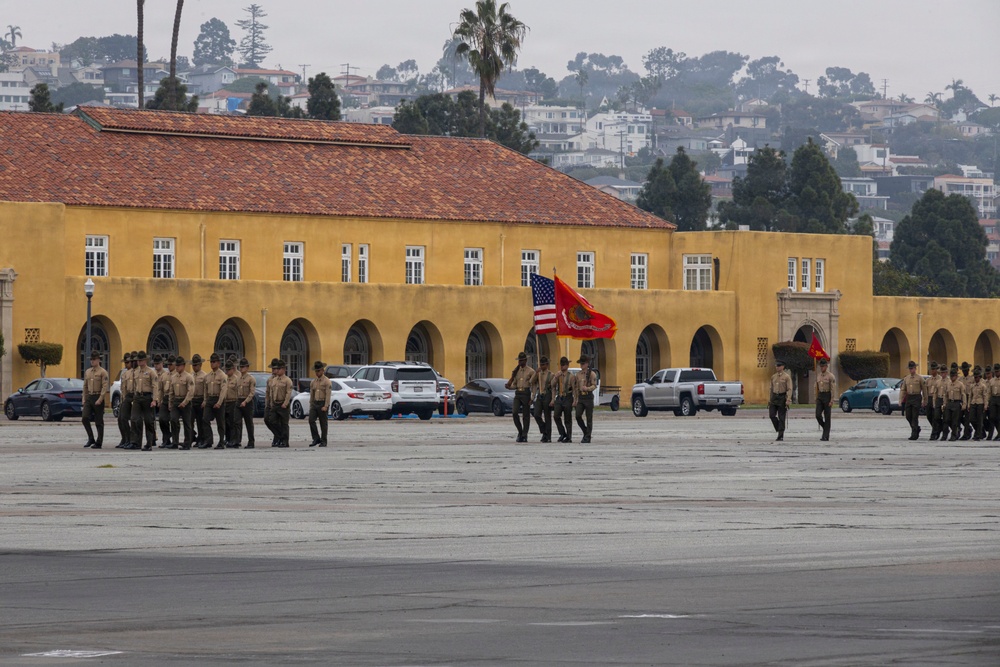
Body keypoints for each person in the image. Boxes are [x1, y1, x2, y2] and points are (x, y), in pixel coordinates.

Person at [505, 351, 536, 443]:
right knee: (514, 412)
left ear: (526, 360)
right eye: (519, 360)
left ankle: (524, 435)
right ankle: (520, 431)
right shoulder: (516, 371)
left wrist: (532, 397)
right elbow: (515, 384)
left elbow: (534, 385)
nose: (520, 362)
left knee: (526, 416)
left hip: (526, 393)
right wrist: (509, 387)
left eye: (522, 360)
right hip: (518, 393)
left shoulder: (531, 371)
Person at [82, 350, 109, 449]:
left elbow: (104, 387)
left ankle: (99, 441)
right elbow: (85, 386)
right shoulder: (88, 372)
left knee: (99, 421)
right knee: (84, 417)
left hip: (98, 396)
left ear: (98, 360)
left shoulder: (103, 372)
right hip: (90, 396)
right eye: (91, 359)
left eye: (94, 359)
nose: (92, 361)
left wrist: (101, 399)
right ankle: (91, 438)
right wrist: (84, 398)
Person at [265, 358, 294, 447]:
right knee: (271, 421)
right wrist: (271, 403)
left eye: (279, 369)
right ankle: (280, 436)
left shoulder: (287, 380)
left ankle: (285, 441)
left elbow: (288, 393)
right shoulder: (274, 380)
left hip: (283, 404)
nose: (277, 370)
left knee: (284, 424)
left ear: (283, 369)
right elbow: (271, 392)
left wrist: (285, 403)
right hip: (275, 404)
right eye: (276, 368)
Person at [203, 353, 229, 449]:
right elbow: (205, 390)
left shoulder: (222, 375)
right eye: (211, 362)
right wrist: (205, 400)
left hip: (219, 399)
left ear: (218, 363)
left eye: (214, 362)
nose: (212, 364)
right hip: (210, 399)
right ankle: (209, 440)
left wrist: (219, 402)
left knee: (220, 422)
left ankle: (221, 441)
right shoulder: (208, 376)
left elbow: (224, 390)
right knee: (205, 419)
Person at [169, 356, 195, 450]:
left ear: (183, 366)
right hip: (176, 400)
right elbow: (171, 392)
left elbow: (190, 391)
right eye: (176, 365)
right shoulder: (173, 377)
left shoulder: (188, 377)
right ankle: (175, 442)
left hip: (185, 401)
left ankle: (187, 443)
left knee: (187, 423)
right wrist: (170, 404)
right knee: (173, 420)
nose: (177, 368)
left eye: (179, 366)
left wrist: (185, 402)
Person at [899, 360, 926, 441]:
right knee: (908, 416)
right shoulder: (906, 378)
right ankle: (916, 428)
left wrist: (925, 400)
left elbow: (924, 390)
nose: (911, 370)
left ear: (915, 368)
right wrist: (900, 400)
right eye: (910, 369)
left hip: (916, 397)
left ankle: (914, 434)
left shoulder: (920, 378)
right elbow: (903, 390)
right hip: (909, 397)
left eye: (912, 368)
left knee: (914, 416)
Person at [573, 355, 598, 444]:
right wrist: (575, 399)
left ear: (587, 364)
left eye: (583, 363)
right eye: (581, 363)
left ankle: (587, 437)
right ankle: (586, 432)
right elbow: (576, 387)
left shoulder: (592, 374)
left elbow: (594, 385)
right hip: (581, 397)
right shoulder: (578, 375)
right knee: (577, 415)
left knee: (589, 418)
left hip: (588, 397)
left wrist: (587, 388)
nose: (581, 365)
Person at [308, 360, 332, 447]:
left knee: (323, 423)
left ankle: (323, 440)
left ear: (322, 370)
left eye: (318, 370)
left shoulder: (327, 381)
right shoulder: (313, 382)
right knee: (311, 420)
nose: (317, 372)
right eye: (316, 371)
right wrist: (311, 404)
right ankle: (316, 438)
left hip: (322, 403)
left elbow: (328, 394)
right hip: (315, 403)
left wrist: (326, 405)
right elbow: (312, 394)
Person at [551, 356, 574, 443]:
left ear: (567, 366)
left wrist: (575, 400)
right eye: (561, 365)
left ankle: (569, 436)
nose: (562, 367)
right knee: (556, 416)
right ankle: (562, 433)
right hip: (560, 397)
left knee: (567, 418)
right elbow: (552, 385)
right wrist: (555, 377)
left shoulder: (571, 376)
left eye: (564, 365)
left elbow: (574, 389)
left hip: (567, 397)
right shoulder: (558, 375)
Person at [235, 358, 257, 448]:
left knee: (249, 423)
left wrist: (245, 401)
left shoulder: (251, 379)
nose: (241, 368)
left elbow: (252, 393)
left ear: (247, 367)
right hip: (239, 401)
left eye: (243, 367)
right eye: (240, 366)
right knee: (237, 421)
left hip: (247, 402)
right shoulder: (238, 378)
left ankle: (251, 441)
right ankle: (237, 441)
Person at [768, 359, 792, 441]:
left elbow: (789, 389)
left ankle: (780, 435)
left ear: (782, 367)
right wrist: (770, 399)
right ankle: (779, 428)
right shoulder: (773, 377)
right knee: (772, 415)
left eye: (778, 366)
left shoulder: (786, 377)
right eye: (776, 366)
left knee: (781, 417)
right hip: (774, 397)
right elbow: (771, 388)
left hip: (782, 397)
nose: (777, 367)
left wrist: (788, 399)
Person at [531, 355, 553, 443]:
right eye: (541, 364)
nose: (542, 366)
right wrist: (536, 373)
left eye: (543, 364)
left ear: (547, 365)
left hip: (547, 395)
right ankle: (544, 430)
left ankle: (548, 436)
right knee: (536, 414)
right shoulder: (538, 374)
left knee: (547, 416)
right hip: (540, 395)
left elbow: (553, 386)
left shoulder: (551, 375)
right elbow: (531, 382)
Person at [942, 366, 967, 441]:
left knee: (955, 421)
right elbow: (945, 395)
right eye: (951, 376)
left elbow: (963, 394)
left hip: (956, 403)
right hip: (949, 403)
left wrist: (964, 404)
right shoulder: (948, 384)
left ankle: (954, 435)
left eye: (953, 376)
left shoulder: (960, 384)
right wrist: (944, 404)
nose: (952, 377)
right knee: (947, 420)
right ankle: (948, 434)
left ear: (956, 376)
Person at [116, 352, 135, 449]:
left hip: (133, 397)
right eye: (125, 363)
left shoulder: (134, 372)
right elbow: (123, 388)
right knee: (121, 419)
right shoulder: (125, 373)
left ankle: (130, 439)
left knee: (132, 420)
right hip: (125, 397)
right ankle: (125, 438)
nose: (126, 365)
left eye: (128, 362)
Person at [814, 358, 836, 441]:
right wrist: (815, 397)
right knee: (817, 415)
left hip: (827, 395)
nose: (822, 368)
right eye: (821, 366)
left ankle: (825, 435)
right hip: (820, 395)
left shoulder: (830, 376)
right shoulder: (818, 375)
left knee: (827, 416)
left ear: (826, 366)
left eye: (823, 366)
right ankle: (825, 427)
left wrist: (832, 400)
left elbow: (833, 389)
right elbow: (816, 387)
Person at [154, 355, 173, 448]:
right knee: (161, 419)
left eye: (158, 363)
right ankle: (166, 439)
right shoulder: (155, 374)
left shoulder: (165, 374)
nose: (156, 366)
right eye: (155, 364)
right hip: (161, 400)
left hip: (172, 399)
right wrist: (158, 400)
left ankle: (171, 439)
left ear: (162, 364)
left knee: (172, 420)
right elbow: (159, 390)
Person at [190, 354, 207, 447]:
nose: (194, 367)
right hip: (192, 399)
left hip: (200, 399)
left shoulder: (204, 376)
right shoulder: (190, 375)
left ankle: (201, 439)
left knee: (200, 422)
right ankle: (193, 437)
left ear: (200, 365)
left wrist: (205, 400)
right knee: (190, 421)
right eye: (193, 365)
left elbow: (206, 389)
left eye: (196, 365)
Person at [223, 360, 240, 448]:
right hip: (225, 402)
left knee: (233, 422)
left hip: (233, 402)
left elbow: (238, 392)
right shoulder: (225, 378)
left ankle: (234, 440)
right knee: (226, 422)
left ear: (233, 369)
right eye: (226, 370)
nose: (227, 371)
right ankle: (228, 438)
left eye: (228, 369)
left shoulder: (236, 379)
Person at [969, 366, 988, 441]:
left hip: (980, 403)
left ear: (979, 377)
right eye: (975, 377)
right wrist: (968, 404)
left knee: (979, 419)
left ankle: (978, 434)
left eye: (977, 377)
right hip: (973, 403)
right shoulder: (972, 386)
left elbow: (985, 396)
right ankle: (980, 431)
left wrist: (985, 405)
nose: (975, 378)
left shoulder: (983, 386)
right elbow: (970, 396)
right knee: (972, 419)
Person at [264, 358, 280, 446]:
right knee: (267, 420)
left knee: (276, 421)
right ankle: (277, 434)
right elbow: (267, 392)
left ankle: (277, 437)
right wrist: (267, 403)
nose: (273, 370)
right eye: (272, 369)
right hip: (270, 403)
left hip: (277, 403)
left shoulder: (281, 379)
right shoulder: (269, 379)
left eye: (275, 369)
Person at [926, 361, 942, 441]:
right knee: (929, 416)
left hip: (936, 398)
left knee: (935, 416)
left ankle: (934, 433)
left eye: (934, 369)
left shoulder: (940, 379)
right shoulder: (928, 380)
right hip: (929, 398)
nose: (932, 371)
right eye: (931, 369)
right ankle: (937, 428)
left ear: (937, 370)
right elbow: (926, 390)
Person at [959, 361, 974, 440]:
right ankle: (968, 428)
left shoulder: (972, 379)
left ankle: (966, 434)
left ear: (968, 370)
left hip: (969, 398)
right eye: (963, 370)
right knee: (960, 416)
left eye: (966, 370)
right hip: (961, 399)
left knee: (968, 417)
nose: (964, 371)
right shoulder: (960, 379)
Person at [983, 366, 995, 441]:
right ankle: (987, 429)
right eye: (986, 374)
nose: (988, 375)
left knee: (992, 418)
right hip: (984, 402)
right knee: (983, 418)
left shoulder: (994, 381)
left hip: (992, 401)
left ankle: (990, 435)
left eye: (989, 373)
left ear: (992, 373)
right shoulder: (984, 382)